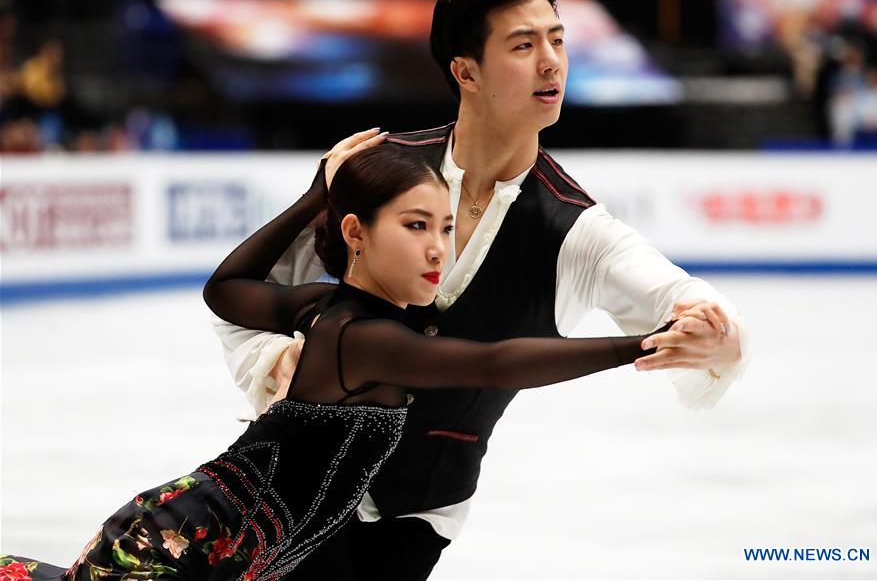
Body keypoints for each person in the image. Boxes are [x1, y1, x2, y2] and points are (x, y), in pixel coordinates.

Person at [213, 0, 750, 581]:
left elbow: (686, 301)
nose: (551, 61)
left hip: (420, 510)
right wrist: (269, 361)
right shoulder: (380, 174)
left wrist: (715, 331)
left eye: (557, 40)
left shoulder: (576, 230)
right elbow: (244, 296)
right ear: (465, 70)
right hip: (288, 478)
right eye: (523, 45)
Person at [2, 145, 678, 581]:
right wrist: (639, 342)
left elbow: (227, 287)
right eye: (415, 226)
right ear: (356, 232)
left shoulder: (324, 308)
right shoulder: (357, 335)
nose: (438, 247)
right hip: (188, 542)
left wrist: (312, 199)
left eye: (444, 227)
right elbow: (497, 363)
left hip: (240, 555)